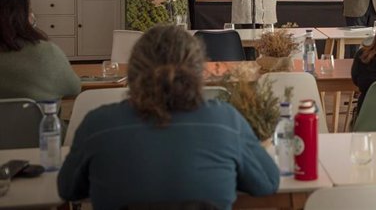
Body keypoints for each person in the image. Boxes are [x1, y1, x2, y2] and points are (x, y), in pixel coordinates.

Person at [58, 25, 280, 210]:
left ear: (134, 70)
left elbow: (68, 189)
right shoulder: (226, 121)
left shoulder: (97, 125)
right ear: (198, 70)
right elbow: (267, 184)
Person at [0, 0, 80, 101]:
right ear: (23, 17)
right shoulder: (46, 51)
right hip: (40, 118)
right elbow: (74, 89)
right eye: (30, 11)